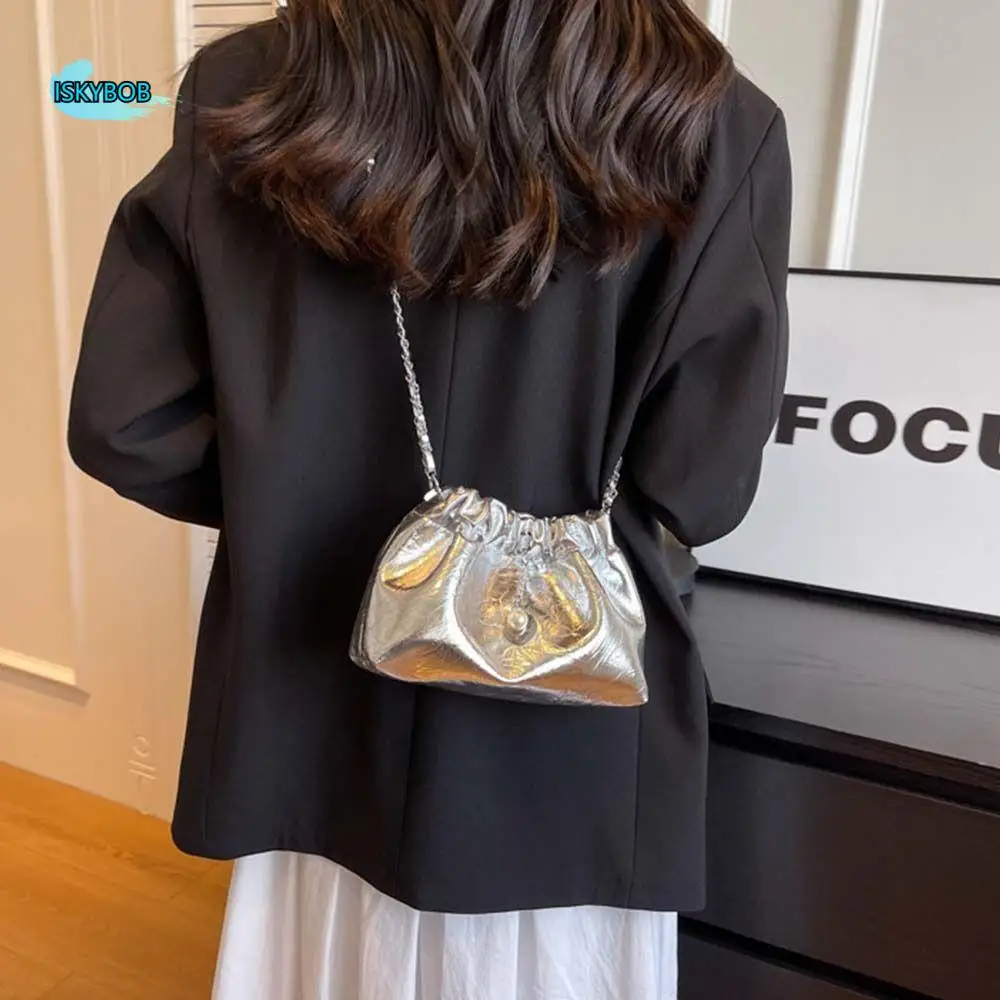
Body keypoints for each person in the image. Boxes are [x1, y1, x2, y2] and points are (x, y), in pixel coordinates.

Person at [67, 2, 791, 997]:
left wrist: (291, 497)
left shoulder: (250, 86)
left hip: (311, 717)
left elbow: (126, 422)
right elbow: (702, 487)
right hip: (570, 743)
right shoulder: (712, 118)